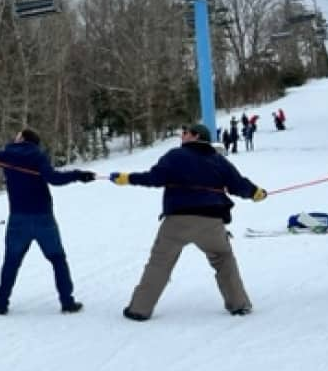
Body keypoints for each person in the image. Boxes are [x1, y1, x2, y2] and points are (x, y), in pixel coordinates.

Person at [109, 122, 268, 320]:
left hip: (177, 220)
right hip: (211, 222)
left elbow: (155, 178)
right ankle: (239, 304)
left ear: (195, 136)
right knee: (223, 259)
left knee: (159, 263)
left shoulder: (175, 155)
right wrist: (255, 192)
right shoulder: (218, 160)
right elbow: (237, 183)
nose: (181, 136)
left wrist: (127, 178)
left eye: (184, 133)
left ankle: (139, 309)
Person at [0, 127, 96, 315]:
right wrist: (78, 175)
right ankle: (67, 302)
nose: (15, 136)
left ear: (22, 139)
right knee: (58, 259)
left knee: (11, 261)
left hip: (18, 219)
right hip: (44, 218)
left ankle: (1, 303)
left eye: (18, 134)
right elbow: (54, 179)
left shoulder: (7, 155)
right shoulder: (39, 156)